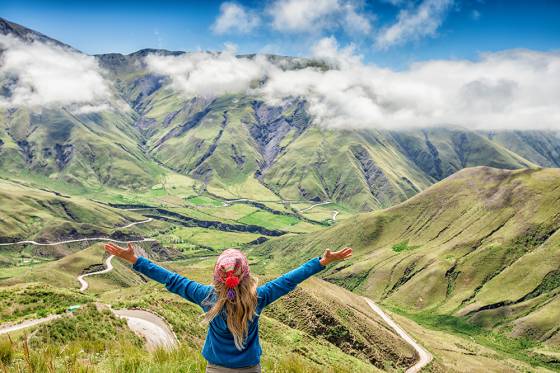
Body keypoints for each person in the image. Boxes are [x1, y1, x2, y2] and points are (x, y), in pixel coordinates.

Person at [104, 243, 352, 373]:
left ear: (217, 276)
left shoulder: (206, 297)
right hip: (250, 369)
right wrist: (322, 262)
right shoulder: (259, 297)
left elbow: (171, 279)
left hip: (216, 369)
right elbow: (289, 280)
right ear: (246, 275)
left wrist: (135, 260)